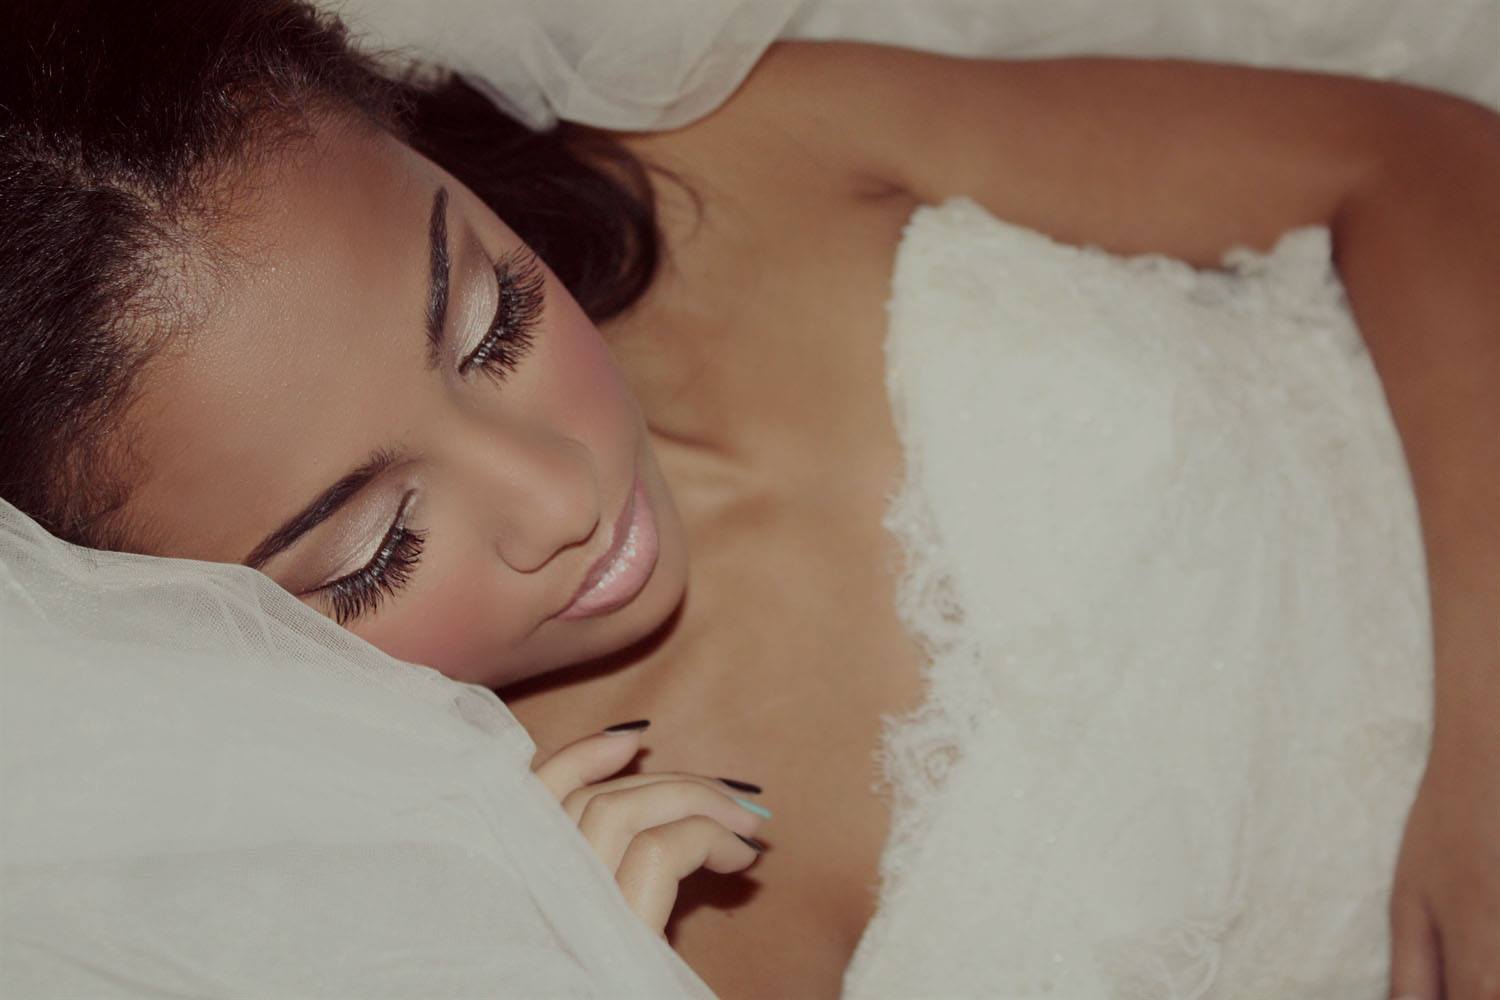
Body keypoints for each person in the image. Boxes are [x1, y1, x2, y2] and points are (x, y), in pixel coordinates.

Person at [3, 1, 1497, 997]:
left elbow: (1417, 162)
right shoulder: (540, 926)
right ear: (166, 640)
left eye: (492, 319)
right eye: (376, 545)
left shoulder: (729, 161)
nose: (558, 494)